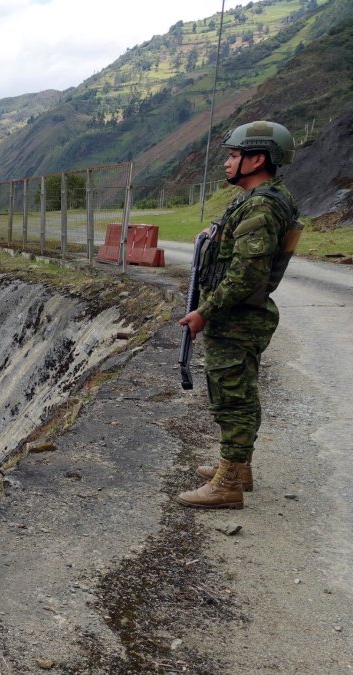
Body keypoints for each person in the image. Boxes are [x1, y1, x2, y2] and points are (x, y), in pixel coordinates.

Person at [175, 120, 301, 510]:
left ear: (257, 158)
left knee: (232, 397)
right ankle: (238, 468)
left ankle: (228, 483)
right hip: (237, 315)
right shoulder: (257, 198)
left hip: (237, 317)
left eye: (234, 156)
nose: (227, 164)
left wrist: (205, 312)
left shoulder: (262, 205)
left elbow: (248, 273)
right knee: (241, 390)